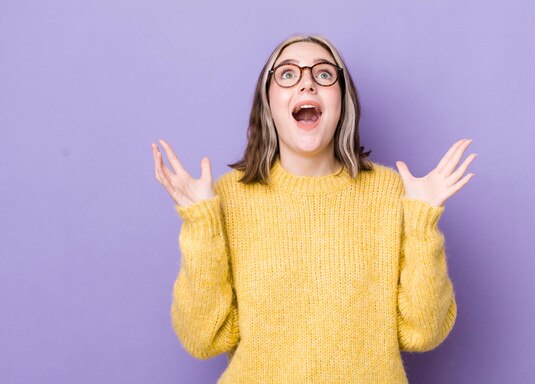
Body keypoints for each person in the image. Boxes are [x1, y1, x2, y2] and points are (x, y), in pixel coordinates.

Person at [151, 34, 476, 383]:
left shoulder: (394, 194)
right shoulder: (227, 199)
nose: (307, 83)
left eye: (323, 75)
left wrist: (422, 220)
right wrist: (201, 224)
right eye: (288, 75)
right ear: (268, 102)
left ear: (342, 99)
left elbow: (424, 331)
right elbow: (203, 339)